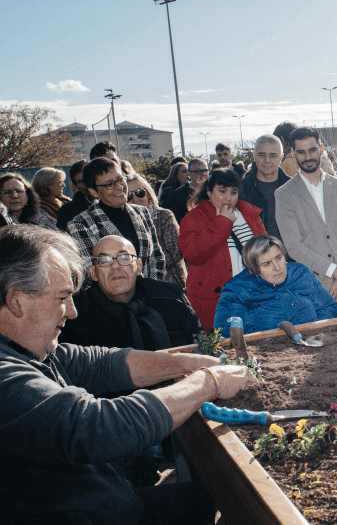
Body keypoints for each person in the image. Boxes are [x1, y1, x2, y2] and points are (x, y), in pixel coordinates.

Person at [0, 224, 256, 525]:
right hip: (81, 515)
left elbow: (104, 363)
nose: (72, 311)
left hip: (106, 500)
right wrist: (208, 382)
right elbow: (95, 426)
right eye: (61, 298)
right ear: (16, 300)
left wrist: (187, 363)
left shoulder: (30, 348)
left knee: (198, 498)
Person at [275, 127, 337, 316]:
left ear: (321, 148)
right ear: (293, 153)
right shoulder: (284, 194)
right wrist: (333, 271)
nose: (308, 157)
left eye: (312, 150)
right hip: (313, 287)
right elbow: (293, 246)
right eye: (301, 152)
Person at [59, 235, 201, 349]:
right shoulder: (75, 315)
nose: (115, 266)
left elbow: (201, 346)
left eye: (124, 258)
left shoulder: (171, 297)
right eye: (104, 260)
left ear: (138, 266)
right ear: (93, 273)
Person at [179, 168, 267, 331]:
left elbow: (266, 251)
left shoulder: (249, 213)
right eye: (222, 191)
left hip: (253, 297)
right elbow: (192, 254)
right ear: (209, 192)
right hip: (216, 302)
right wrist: (222, 222)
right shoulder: (193, 218)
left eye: (233, 192)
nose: (228, 198)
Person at [214, 235, 337, 336]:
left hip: (312, 341)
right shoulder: (237, 289)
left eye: (279, 258)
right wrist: (275, 339)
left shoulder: (301, 273)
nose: (277, 267)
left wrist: (313, 331)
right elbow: (227, 332)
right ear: (254, 270)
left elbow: (330, 307)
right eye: (267, 264)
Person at [67, 158, 168, 282]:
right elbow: (92, 273)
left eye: (120, 179)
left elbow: (157, 256)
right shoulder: (81, 224)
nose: (120, 187)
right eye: (109, 184)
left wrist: (152, 288)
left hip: (151, 290)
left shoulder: (142, 212)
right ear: (94, 192)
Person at [127, 173, 187, 289]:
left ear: (149, 195)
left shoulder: (164, 215)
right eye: (129, 196)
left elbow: (176, 251)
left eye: (140, 193)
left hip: (170, 284)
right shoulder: (125, 223)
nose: (135, 199)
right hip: (139, 287)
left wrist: (143, 263)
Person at [239, 134, 291, 242]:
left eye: (273, 155)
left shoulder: (293, 187)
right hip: (253, 251)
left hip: (289, 252)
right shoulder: (240, 189)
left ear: (281, 157)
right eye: (262, 155)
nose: (267, 160)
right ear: (254, 156)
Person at [165, 158, 209, 224]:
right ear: (189, 173)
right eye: (199, 171)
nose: (203, 174)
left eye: (205, 170)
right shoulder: (178, 194)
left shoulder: (213, 190)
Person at [57, 160, 94, 230]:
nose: (88, 183)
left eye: (90, 178)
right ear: (76, 186)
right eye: (82, 181)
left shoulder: (112, 201)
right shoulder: (67, 211)